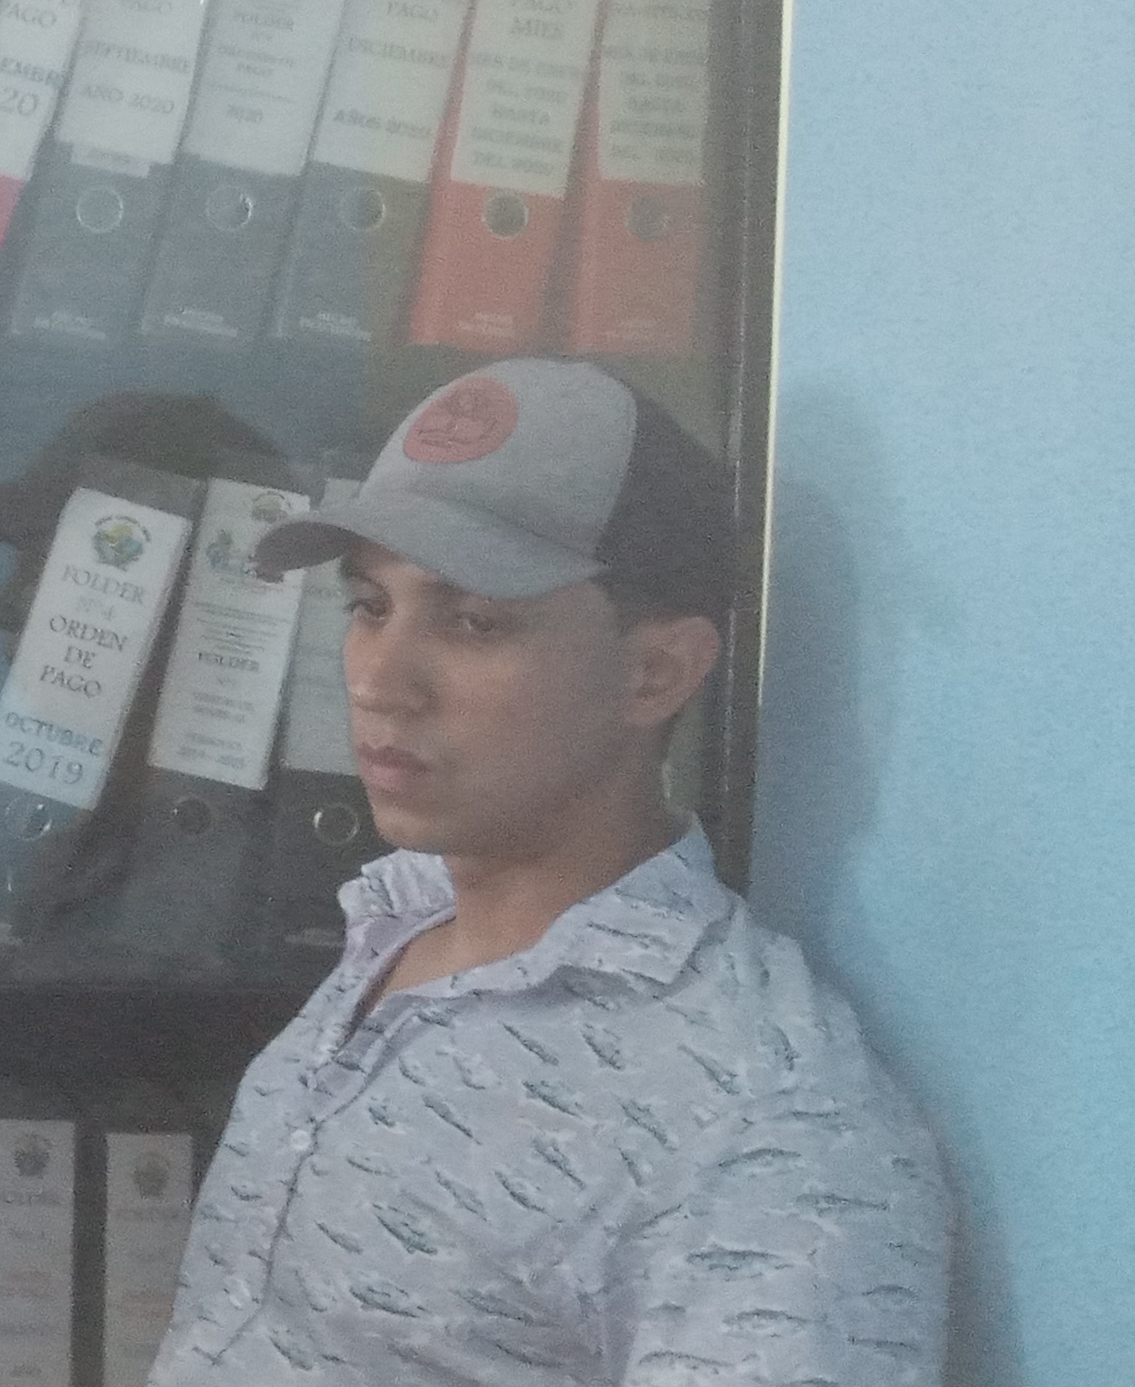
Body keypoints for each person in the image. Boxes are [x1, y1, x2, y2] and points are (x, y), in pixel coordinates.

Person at [148, 358, 948, 1385]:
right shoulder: (405, 914)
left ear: (655, 671)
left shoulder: (764, 1123)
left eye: (473, 621)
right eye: (370, 606)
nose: (381, 682)